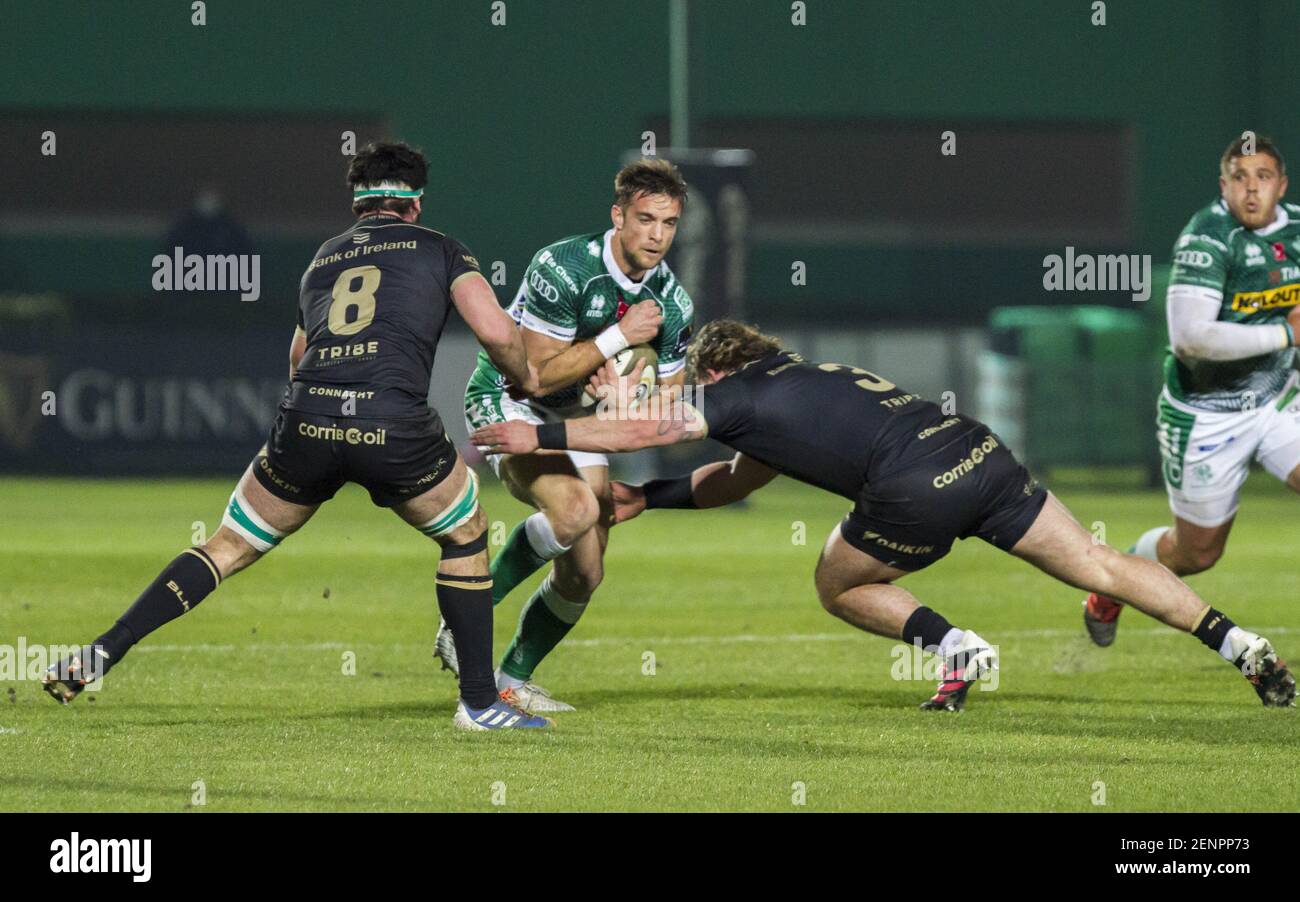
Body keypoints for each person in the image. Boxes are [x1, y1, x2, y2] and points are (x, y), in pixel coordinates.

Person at [471, 319, 1296, 710]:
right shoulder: (808, 376)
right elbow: (736, 477)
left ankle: (956, 646)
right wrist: (651, 499)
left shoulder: (736, 392)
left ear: (717, 370)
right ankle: (1238, 642)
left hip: (913, 485)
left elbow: (650, 424)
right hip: (979, 451)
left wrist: (535, 430)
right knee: (1101, 564)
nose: (690, 379)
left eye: (695, 371)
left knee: (836, 580)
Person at [43, 142, 550, 730]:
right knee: (467, 534)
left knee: (227, 546)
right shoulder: (442, 249)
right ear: (416, 203)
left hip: (307, 417)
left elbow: (298, 356)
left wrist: (323, 430)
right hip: (392, 423)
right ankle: (481, 704)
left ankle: (104, 648)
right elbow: (494, 330)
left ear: (358, 202)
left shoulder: (325, 258)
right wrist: (525, 376)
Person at [448, 157, 694, 713]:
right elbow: (529, 375)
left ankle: (512, 678)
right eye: (646, 219)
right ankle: (464, 613)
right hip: (507, 400)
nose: (657, 236)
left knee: (587, 570)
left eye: (669, 223)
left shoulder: (674, 304)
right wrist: (617, 339)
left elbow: (670, 404)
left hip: (579, 415)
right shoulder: (562, 267)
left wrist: (628, 401)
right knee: (575, 509)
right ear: (618, 216)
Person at [1085, 136, 1300, 646]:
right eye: (1239, 178)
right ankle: (1110, 585)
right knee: (1196, 554)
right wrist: (1288, 334)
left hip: (1278, 396)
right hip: (1206, 414)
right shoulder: (1207, 238)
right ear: (1224, 187)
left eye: (1263, 177)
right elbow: (1191, 340)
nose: (1252, 190)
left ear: (1282, 185)